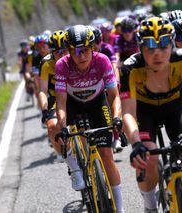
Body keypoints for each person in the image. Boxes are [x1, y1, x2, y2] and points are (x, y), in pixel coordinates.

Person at [120, 16, 182, 213]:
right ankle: (150, 206)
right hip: (145, 112)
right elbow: (129, 113)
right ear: (140, 47)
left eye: (164, 44)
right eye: (150, 46)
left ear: (172, 43)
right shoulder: (130, 68)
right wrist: (136, 143)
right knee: (147, 158)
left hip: (176, 108)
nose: (158, 53)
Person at [55, 25, 124, 212]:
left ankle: (120, 208)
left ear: (92, 47)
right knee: (55, 127)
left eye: (85, 50)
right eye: (75, 51)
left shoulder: (102, 61)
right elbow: (60, 102)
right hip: (73, 103)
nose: (81, 56)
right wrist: (62, 126)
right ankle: (76, 168)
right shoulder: (62, 65)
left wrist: (117, 118)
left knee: (107, 155)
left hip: (97, 103)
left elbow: (114, 96)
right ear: (69, 51)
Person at [90, 25, 123, 152]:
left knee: (111, 105)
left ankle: (116, 137)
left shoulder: (107, 49)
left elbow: (115, 66)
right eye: (92, 43)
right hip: (92, 84)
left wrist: (117, 81)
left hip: (107, 80)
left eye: (98, 42)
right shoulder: (85, 53)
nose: (96, 46)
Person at [39, 30, 69, 161]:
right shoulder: (46, 63)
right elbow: (42, 90)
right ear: (51, 52)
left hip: (76, 92)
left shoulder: (76, 57)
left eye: (64, 51)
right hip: (57, 97)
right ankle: (65, 157)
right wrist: (44, 110)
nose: (61, 55)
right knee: (51, 127)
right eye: (57, 52)